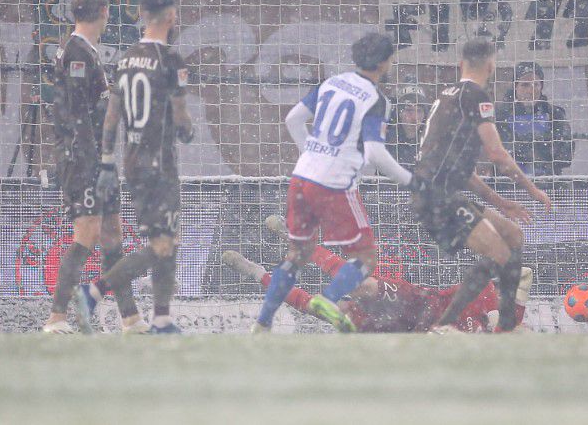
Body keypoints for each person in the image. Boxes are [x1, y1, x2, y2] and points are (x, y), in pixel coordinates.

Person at [254, 32, 417, 333]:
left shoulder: (331, 83)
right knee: (367, 258)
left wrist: (310, 153)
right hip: (334, 183)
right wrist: (412, 182)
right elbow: (376, 153)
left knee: (296, 255)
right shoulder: (376, 99)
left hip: (302, 176)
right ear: (383, 63)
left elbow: (292, 119)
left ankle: (263, 322)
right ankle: (328, 298)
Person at [411, 38, 553, 333]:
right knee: (499, 253)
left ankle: (506, 323)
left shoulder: (447, 97)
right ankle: (448, 325)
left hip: (436, 192)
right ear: (491, 66)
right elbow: (497, 154)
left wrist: (501, 203)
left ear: (460, 65)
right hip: (437, 196)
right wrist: (533, 190)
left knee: (513, 236)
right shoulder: (477, 97)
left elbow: (463, 172)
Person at [75, 0, 192, 335]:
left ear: (143, 16)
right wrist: (186, 129)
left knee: (164, 238)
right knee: (163, 244)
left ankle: (161, 318)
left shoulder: (125, 60)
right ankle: (94, 291)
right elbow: (181, 118)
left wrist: (108, 161)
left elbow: (111, 117)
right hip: (160, 161)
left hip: (131, 160)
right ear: (171, 17)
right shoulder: (172, 60)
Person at [42, 0, 148, 335]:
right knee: (86, 233)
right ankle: (56, 318)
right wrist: (94, 161)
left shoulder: (85, 51)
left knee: (112, 234)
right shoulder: (75, 53)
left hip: (97, 159)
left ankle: (130, 318)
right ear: (104, 11)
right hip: (83, 160)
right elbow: (76, 117)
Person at [221, 216, 529, 333]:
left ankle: (259, 273)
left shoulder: (482, 351)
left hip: (398, 334)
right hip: (418, 305)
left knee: (329, 311)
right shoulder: (496, 312)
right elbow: (516, 279)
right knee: (363, 286)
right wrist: (494, 318)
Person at [496, 62, 574, 175]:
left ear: (541, 86)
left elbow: (565, 156)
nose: (530, 91)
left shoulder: (554, 114)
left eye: (535, 85)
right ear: (515, 87)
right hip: (509, 183)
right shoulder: (501, 115)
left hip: (547, 183)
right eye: (525, 85)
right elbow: (497, 153)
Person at [386, 84, 428, 168]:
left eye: (419, 111)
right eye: (409, 110)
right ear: (399, 113)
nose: (414, 117)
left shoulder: (428, 143)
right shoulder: (385, 141)